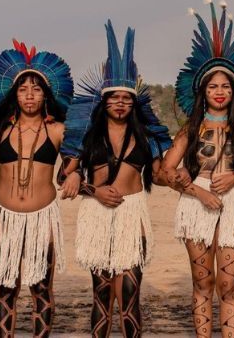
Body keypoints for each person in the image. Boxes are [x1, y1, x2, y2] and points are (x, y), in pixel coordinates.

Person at [161, 0, 234, 338]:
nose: (220, 91)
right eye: (213, 86)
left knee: (228, 283)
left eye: (225, 86)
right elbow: (166, 172)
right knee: (202, 281)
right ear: (203, 91)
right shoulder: (190, 130)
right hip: (196, 204)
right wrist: (196, 189)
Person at [59, 22, 173, 337]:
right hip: (96, 214)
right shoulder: (85, 135)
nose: (120, 103)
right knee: (102, 292)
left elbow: (163, 173)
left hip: (132, 213)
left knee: (130, 292)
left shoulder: (146, 135)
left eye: (126, 98)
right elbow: (64, 176)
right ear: (104, 101)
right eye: (114, 98)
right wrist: (89, 189)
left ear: (134, 102)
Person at [0, 40, 74, 337]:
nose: (30, 95)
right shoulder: (0, 129)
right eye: (23, 89)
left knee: (41, 289)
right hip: (5, 218)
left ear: (46, 95)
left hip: (43, 217)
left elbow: (72, 162)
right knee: (5, 288)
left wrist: (74, 174)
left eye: (37, 89)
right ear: (13, 94)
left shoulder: (57, 130)